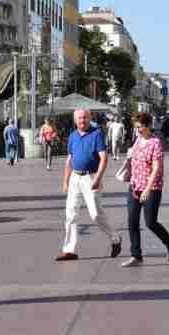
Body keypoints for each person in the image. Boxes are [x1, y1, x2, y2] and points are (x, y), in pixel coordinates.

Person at [56, 108, 122, 262]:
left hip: (90, 177)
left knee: (96, 214)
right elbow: (69, 160)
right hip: (75, 178)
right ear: (75, 120)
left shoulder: (96, 134)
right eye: (79, 118)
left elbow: (103, 158)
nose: (82, 121)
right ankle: (69, 250)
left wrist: (98, 178)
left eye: (85, 118)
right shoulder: (72, 136)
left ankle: (115, 238)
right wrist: (65, 181)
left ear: (89, 118)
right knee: (70, 214)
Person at [121, 112, 169, 267]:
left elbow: (157, 168)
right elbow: (132, 158)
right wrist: (129, 156)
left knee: (150, 222)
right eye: (136, 127)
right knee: (132, 221)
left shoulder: (155, 143)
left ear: (148, 126)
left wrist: (147, 189)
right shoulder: (138, 140)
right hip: (134, 185)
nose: (138, 130)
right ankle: (136, 255)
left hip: (151, 187)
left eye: (140, 127)